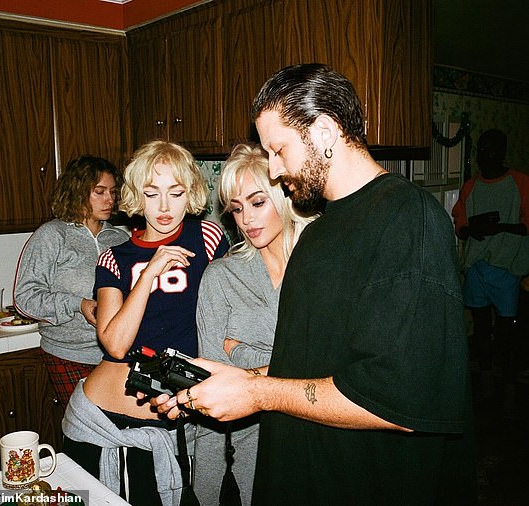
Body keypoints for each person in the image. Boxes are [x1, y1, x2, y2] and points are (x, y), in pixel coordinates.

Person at [154, 63, 477, 505]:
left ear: (324, 132)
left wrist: (256, 392)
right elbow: (319, 368)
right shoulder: (320, 233)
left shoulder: (408, 221)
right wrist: (233, 380)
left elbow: (398, 399)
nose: (272, 167)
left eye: (279, 149)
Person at [61, 140, 229, 506]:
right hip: (96, 421)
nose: (165, 207)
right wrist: (150, 271)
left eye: (176, 192)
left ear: (192, 193)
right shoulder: (115, 257)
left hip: (170, 423)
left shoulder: (207, 238)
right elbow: (116, 344)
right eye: (152, 194)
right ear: (137, 196)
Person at [194, 143, 313, 505]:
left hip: (323, 437)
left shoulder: (320, 263)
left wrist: (244, 354)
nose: (246, 219)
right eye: (236, 208)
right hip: (256, 452)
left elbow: (337, 366)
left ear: (285, 194)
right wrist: (206, 493)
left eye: (257, 202)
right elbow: (210, 390)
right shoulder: (220, 278)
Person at [13, 155, 129, 409]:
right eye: (99, 192)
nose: (110, 199)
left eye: (112, 192)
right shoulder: (52, 235)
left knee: (117, 435)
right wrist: (78, 304)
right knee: (86, 431)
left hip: (116, 355)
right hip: (68, 355)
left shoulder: (120, 239)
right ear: (77, 192)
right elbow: (25, 298)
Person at [451, 129, 529, 413]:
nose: (484, 155)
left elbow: (526, 224)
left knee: (506, 335)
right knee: (482, 331)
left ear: (502, 151)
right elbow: (461, 221)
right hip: (477, 268)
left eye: (491, 149)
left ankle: (508, 388)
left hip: (506, 270)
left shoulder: (520, 183)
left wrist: (501, 228)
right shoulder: (471, 186)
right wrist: (471, 229)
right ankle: (485, 384)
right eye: (481, 149)